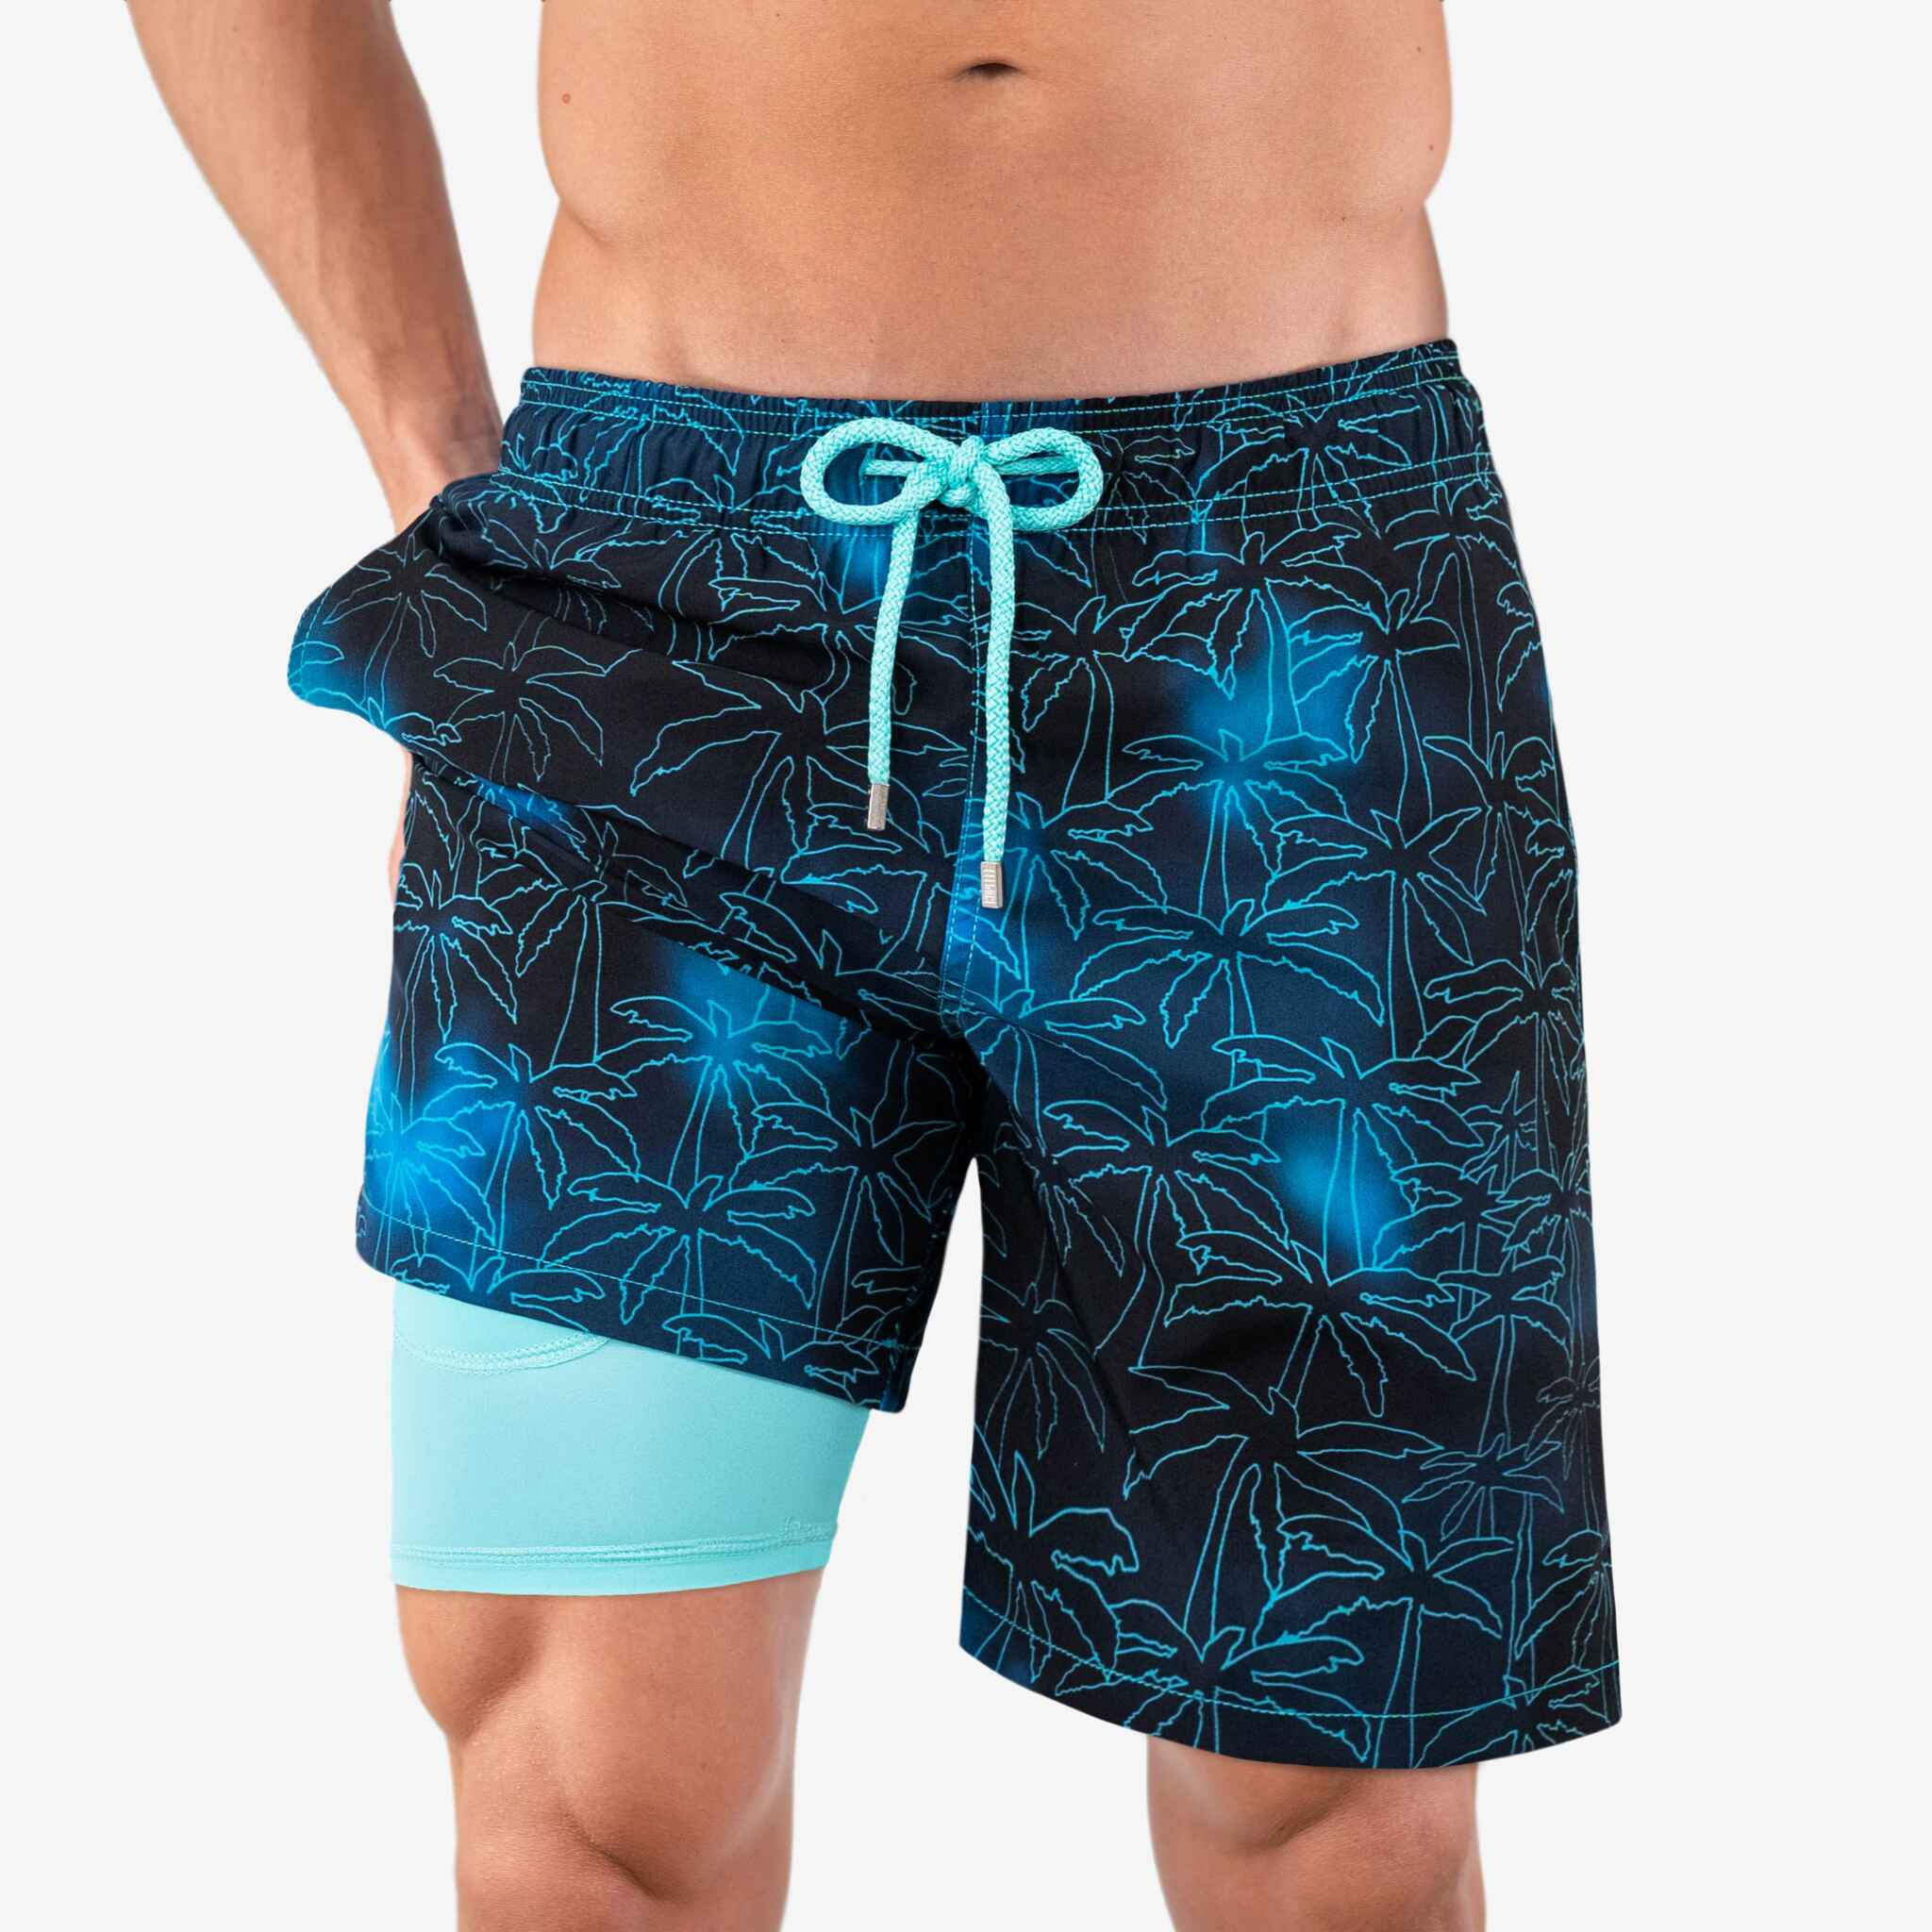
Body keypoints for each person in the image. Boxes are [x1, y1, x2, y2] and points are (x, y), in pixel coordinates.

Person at [130, 2, 1619, 1924]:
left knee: (1342, 1818)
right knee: (592, 1815)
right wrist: (432, 465)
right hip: (636, 607)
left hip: (1292, 628)